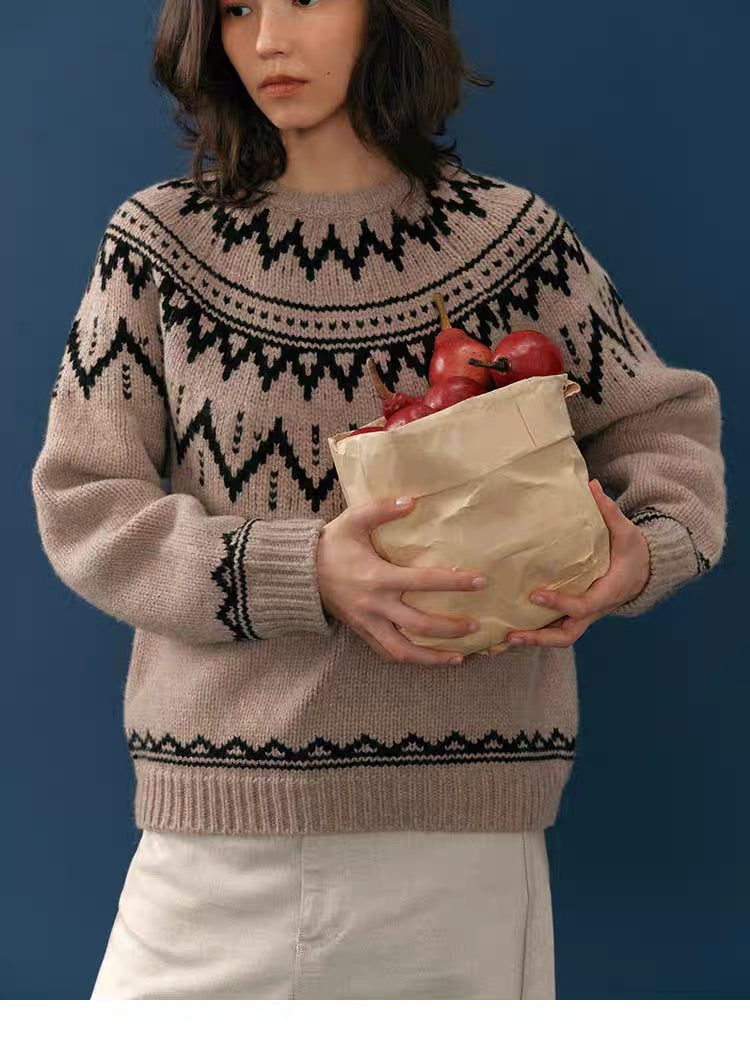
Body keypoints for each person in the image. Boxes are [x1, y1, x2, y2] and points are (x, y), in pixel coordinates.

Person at [30, 0, 726, 1000]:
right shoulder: (156, 246)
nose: (267, 37)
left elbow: (665, 428)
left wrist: (639, 553)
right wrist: (302, 569)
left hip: (466, 842)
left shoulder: (516, 240)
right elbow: (86, 502)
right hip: (221, 840)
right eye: (234, 9)